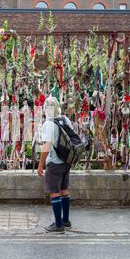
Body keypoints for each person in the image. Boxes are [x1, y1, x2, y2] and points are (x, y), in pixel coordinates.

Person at [38, 97, 73, 233]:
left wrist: (41, 165)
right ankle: (66, 221)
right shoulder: (65, 119)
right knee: (64, 189)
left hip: (55, 162)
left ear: (46, 108)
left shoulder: (48, 123)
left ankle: (58, 225)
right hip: (66, 161)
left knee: (54, 192)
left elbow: (46, 146)